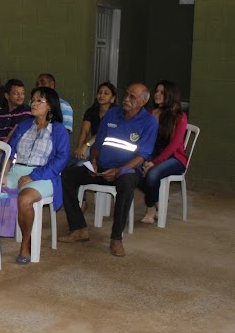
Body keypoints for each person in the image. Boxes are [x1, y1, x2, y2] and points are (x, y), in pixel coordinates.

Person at [59, 83, 158, 257]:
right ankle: (78, 228)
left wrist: (119, 170)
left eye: (132, 97)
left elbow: (142, 155)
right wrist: (94, 161)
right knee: (67, 175)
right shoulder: (113, 113)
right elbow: (98, 143)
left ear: (142, 102)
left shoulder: (149, 122)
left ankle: (116, 238)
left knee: (126, 185)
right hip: (101, 167)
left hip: (127, 170)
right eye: (126, 94)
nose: (126, 99)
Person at [0, 86, 69, 264]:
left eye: (39, 100)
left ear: (50, 106)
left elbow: (61, 160)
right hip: (17, 170)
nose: (34, 103)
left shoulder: (59, 130)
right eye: (33, 100)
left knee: (24, 198)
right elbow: (9, 151)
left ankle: (26, 243)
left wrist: (33, 176)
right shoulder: (23, 126)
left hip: (44, 175)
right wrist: (3, 175)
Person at [138, 80, 188, 224]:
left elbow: (174, 145)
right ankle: (158, 200)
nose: (157, 94)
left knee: (152, 174)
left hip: (174, 158)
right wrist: (145, 158)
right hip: (153, 154)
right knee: (133, 169)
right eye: (157, 91)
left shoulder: (179, 116)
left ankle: (150, 207)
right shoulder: (150, 113)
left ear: (170, 95)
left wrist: (154, 162)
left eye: (162, 92)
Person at [71, 82, 117, 165]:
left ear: (112, 98)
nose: (102, 95)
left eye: (106, 93)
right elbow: (84, 131)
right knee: (70, 160)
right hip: (92, 144)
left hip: (108, 146)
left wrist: (86, 145)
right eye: (100, 92)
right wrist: (79, 147)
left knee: (80, 164)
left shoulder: (116, 113)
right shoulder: (91, 111)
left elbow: (103, 133)